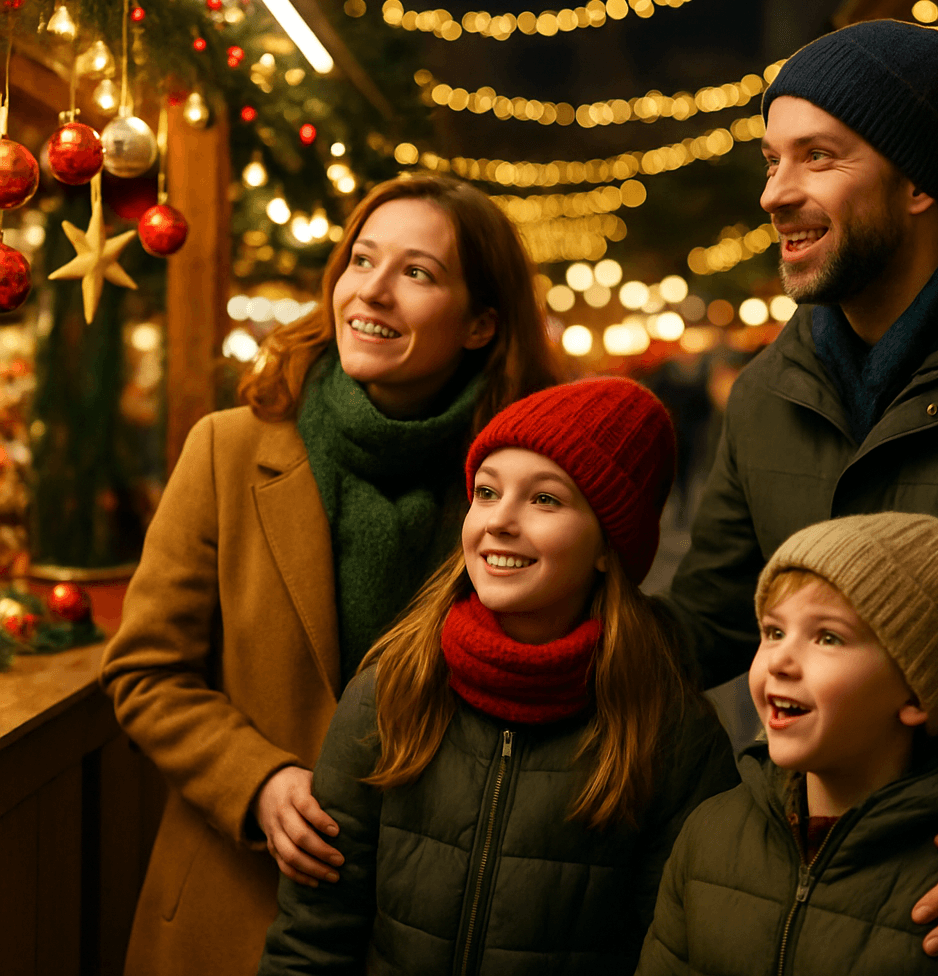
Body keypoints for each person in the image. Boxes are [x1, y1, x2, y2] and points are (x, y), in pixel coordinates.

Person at [99, 173, 561, 976]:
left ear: (481, 322)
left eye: (417, 273)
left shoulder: (519, 488)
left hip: (429, 926)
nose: (371, 292)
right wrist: (260, 780)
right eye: (361, 260)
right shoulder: (230, 449)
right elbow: (145, 672)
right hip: (234, 906)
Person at [660, 19, 938, 971]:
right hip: (805, 878)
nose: (776, 192)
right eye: (773, 158)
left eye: (819, 157)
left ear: (918, 182)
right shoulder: (770, 393)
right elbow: (704, 622)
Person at [257, 377, 737, 975]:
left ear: (608, 545)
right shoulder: (393, 688)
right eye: (486, 492)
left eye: (545, 500)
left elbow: (676, 954)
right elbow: (312, 936)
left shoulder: (670, 732)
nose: (499, 521)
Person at [639, 512, 938, 975]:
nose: (780, 659)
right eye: (773, 631)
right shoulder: (709, 834)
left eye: (827, 637)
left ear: (918, 691)